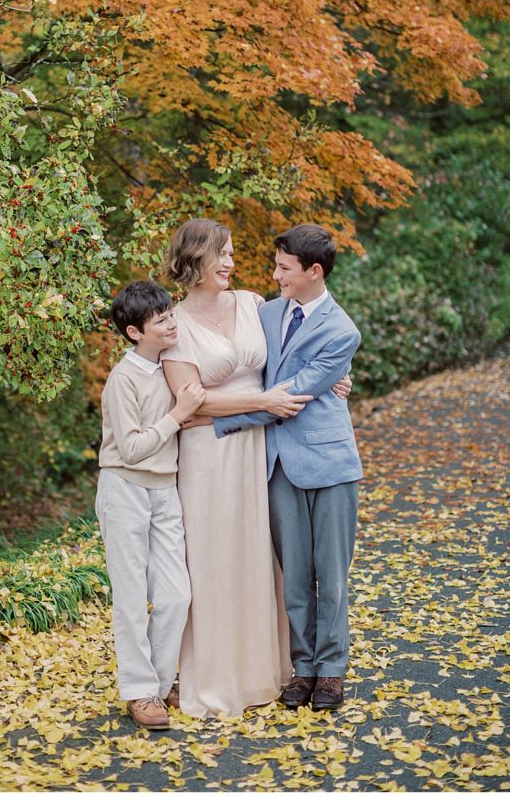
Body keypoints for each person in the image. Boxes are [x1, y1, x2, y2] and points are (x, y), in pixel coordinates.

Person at [161, 219, 350, 718]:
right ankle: (254, 672)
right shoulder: (215, 318)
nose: (232, 263)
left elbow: (296, 372)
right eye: (221, 254)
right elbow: (197, 397)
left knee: (297, 569)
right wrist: (248, 404)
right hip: (233, 455)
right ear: (196, 259)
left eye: (231, 253)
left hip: (276, 449)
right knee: (243, 568)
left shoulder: (275, 310)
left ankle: (306, 671)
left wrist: (336, 379)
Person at [214, 224, 362, 712]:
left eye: (284, 268)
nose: (274, 274)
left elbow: (292, 395)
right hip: (276, 462)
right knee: (294, 574)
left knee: (331, 575)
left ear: (313, 272)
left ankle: (332, 671)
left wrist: (218, 419)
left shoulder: (343, 331)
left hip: (331, 463)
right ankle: (303, 669)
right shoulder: (266, 311)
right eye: (275, 265)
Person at [95, 280, 205, 730]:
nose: (172, 324)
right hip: (124, 488)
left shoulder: (170, 369)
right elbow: (133, 448)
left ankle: (160, 686)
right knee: (131, 597)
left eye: (171, 315)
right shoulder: (122, 380)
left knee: (177, 595)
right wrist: (177, 415)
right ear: (135, 333)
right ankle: (140, 692)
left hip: (166, 491)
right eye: (161, 321)